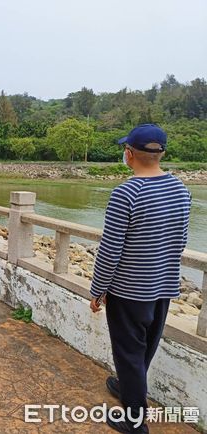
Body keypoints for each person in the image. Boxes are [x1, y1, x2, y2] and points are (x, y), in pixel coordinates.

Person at [89, 124, 191, 433]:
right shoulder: (180, 189)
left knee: (128, 351)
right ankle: (129, 388)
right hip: (162, 287)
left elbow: (110, 249)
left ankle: (135, 423)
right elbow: (180, 239)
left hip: (129, 292)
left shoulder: (126, 193)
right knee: (144, 347)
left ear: (129, 154)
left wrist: (97, 289)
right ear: (162, 153)